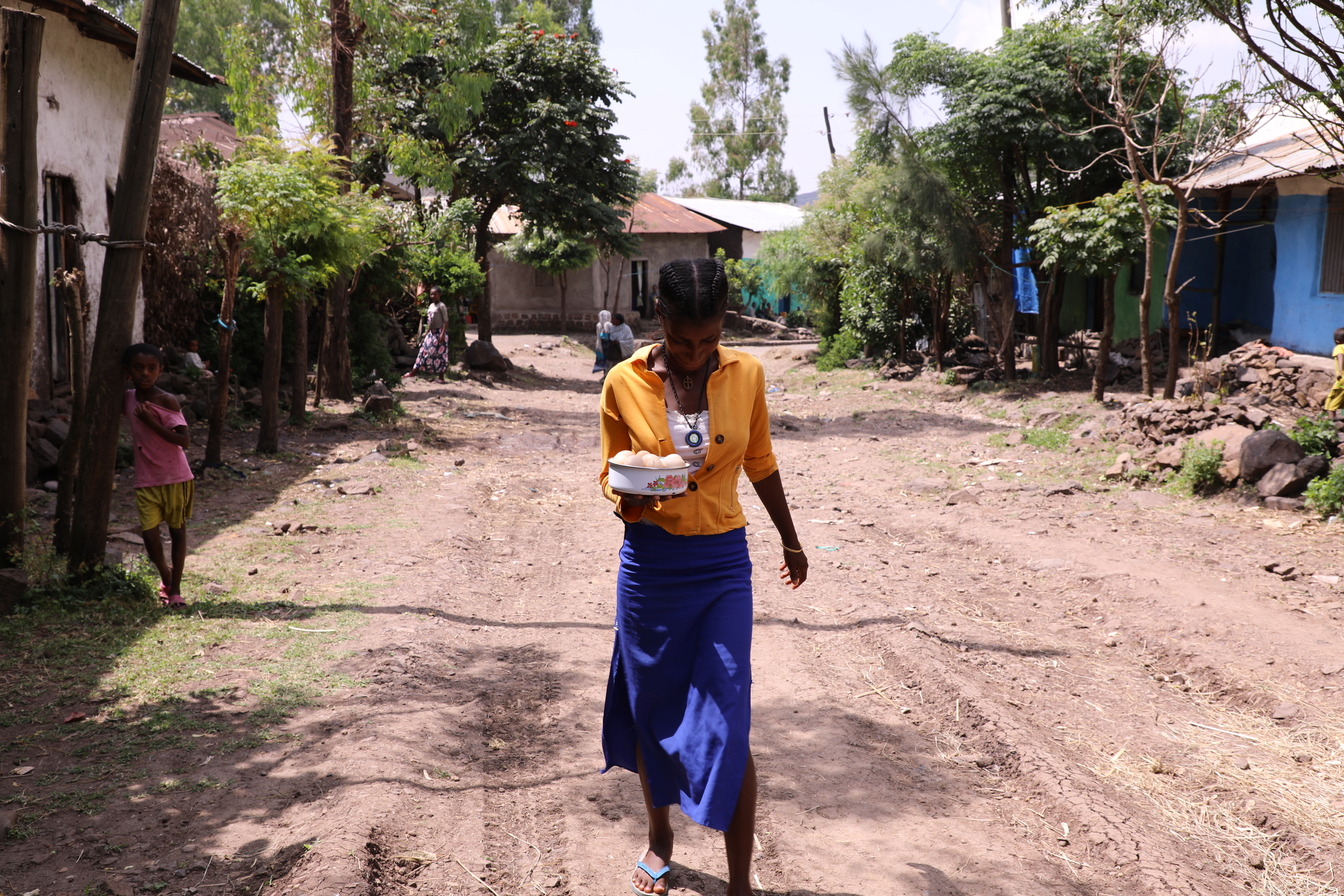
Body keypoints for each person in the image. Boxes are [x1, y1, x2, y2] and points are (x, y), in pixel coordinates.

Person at [598, 257, 808, 896]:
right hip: (652, 565)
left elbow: (761, 460)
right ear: (659, 318)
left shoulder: (747, 374)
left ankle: (741, 883)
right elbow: (611, 473)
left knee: (729, 712)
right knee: (652, 706)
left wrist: (791, 539)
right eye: (685, 341)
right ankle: (660, 837)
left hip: (721, 565)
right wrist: (631, 494)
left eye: (711, 339)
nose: (696, 354)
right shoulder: (621, 383)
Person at [122, 343, 195, 608]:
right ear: (128, 371)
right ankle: (166, 575)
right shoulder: (128, 398)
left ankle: (175, 591)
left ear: (160, 371)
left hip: (175, 475)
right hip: (146, 478)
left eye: (152, 368)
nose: (145, 373)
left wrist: (151, 422)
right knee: (150, 535)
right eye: (138, 368)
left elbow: (184, 441)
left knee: (177, 531)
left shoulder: (166, 400)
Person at [412, 286, 451, 382]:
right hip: (431, 332)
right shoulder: (431, 306)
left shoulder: (441, 306)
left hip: (439, 332)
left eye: (435, 294)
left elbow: (446, 321)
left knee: (441, 354)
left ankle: (441, 377)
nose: (433, 296)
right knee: (423, 350)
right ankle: (414, 371)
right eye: (431, 294)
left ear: (439, 295)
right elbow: (430, 321)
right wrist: (427, 332)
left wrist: (442, 334)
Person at [1327, 326, 1344, 414]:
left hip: (1342, 379)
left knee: (1331, 401)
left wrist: (1340, 372)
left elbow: (1340, 357)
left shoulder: (1339, 347)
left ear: (1337, 341)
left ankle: (1331, 424)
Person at [594, 309, 613, 374]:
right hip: (607, 345)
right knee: (608, 361)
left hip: (599, 344)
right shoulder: (608, 324)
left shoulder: (598, 324)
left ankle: (605, 374)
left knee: (603, 360)